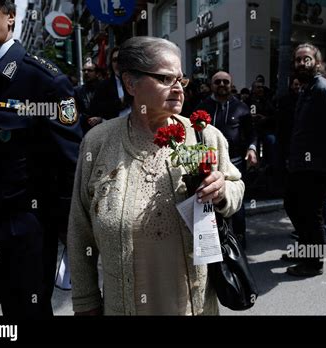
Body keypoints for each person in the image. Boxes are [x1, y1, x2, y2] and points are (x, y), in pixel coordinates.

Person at [67, 36, 245, 315]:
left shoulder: (205, 136)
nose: (178, 89)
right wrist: (86, 302)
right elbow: (80, 232)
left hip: (192, 305)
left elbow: (236, 187)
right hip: (123, 305)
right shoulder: (98, 142)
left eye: (181, 80)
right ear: (130, 83)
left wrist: (222, 192)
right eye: (165, 79)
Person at [0, 0, 82, 317]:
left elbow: (70, 168)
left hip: (22, 238)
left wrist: (72, 238)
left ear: (11, 16)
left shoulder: (43, 81)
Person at [283, 43, 326, 277]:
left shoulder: (323, 88)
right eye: (298, 59)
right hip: (301, 163)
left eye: (307, 59)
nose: (302, 63)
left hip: (318, 166)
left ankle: (313, 263)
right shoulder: (306, 89)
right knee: (293, 205)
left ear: (317, 63)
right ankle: (305, 250)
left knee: (311, 213)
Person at [194, 71, 258, 249]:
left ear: (231, 84)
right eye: (217, 82)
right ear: (211, 84)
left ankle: (239, 244)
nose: (221, 84)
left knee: (236, 206)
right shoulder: (201, 107)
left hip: (234, 164)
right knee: (211, 204)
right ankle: (214, 246)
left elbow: (252, 133)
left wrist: (252, 150)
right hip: (208, 165)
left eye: (225, 82)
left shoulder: (242, 108)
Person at [88, 46, 130, 128]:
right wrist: (120, 102)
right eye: (114, 60)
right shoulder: (103, 86)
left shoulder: (137, 82)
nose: (117, 63)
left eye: (120, 60)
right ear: (111, 64)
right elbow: (97, 109)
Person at [74, 61, 101, 134]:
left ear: (97, 74)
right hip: (84, 131)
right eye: (84, 70)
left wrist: (100, 119)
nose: (86, 72)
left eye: (90, 70)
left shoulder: (105, 89)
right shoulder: (77, 91)